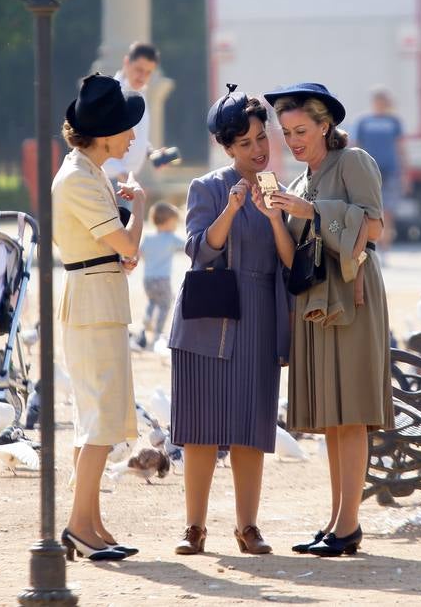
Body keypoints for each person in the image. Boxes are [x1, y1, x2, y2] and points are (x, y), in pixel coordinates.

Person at [263, 82, 394, 558]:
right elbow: (294, 255)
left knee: (352, 413)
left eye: (301, 130)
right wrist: (277, 216)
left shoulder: (353, 161)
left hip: (353, 297)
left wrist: (313, 210)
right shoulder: (300, 180)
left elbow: (375, 226)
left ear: (325, 126)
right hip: (317, 302)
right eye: (286, 132)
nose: (293, 140)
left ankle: (348, 526)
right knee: (334, 417)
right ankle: (339, 522)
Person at [169, 85, 293, 557]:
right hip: (207, 317)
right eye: (246, 144)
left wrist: (274, 216)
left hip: (260, 314)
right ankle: (193, 528)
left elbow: (289, 261)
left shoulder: (279, 190)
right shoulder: (207, 187)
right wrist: (233, 208)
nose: (259, 150)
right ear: (227, 148)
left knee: (250, 428)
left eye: (262, 138)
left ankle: (248, 528)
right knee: (199, 428)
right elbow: (199, 250)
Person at [52, 73, 146, 563]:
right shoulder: (78, 177)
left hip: (97, 293)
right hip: (92, 302)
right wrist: (142, 208)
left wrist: (122, 247)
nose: (132, 134)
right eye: (127, 126)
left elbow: (118, 251)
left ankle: (90, 523)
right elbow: (128, 244)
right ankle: (78, 527)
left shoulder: (88, 173)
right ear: (105, 132)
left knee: (96, 419)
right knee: (99, 422)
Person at [352, 85, 408, 251]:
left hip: (390, 171)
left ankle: (385, 248)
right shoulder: (363, 121)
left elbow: (400, 147)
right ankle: (369, 245)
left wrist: (405, 172)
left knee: (388, 211)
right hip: (368, 172)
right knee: (368, 211)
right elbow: (355, 146)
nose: (380, 103)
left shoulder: (394, 121)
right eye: (378, 100)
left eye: (383, 100)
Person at [103, 41, 159, 185]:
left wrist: (151, 153)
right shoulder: (112, 94)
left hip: (127, 179)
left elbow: (135, 135)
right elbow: (101, 139)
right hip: (112, 179)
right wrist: (122, 175)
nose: (142, 76)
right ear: (126, 62)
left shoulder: (140, 93)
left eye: (148, 72)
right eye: (139, 69)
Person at [139, 201, 184, 346]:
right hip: (162, 279)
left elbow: (140, 254)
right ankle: (158, 332)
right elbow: (187, 246)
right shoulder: (171, 238)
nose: (175, 226)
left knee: (152, 301)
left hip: (148, 279)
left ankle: (147, 318)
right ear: (168, 222)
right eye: (174, 223)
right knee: (165, 304)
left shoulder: (148, 238)